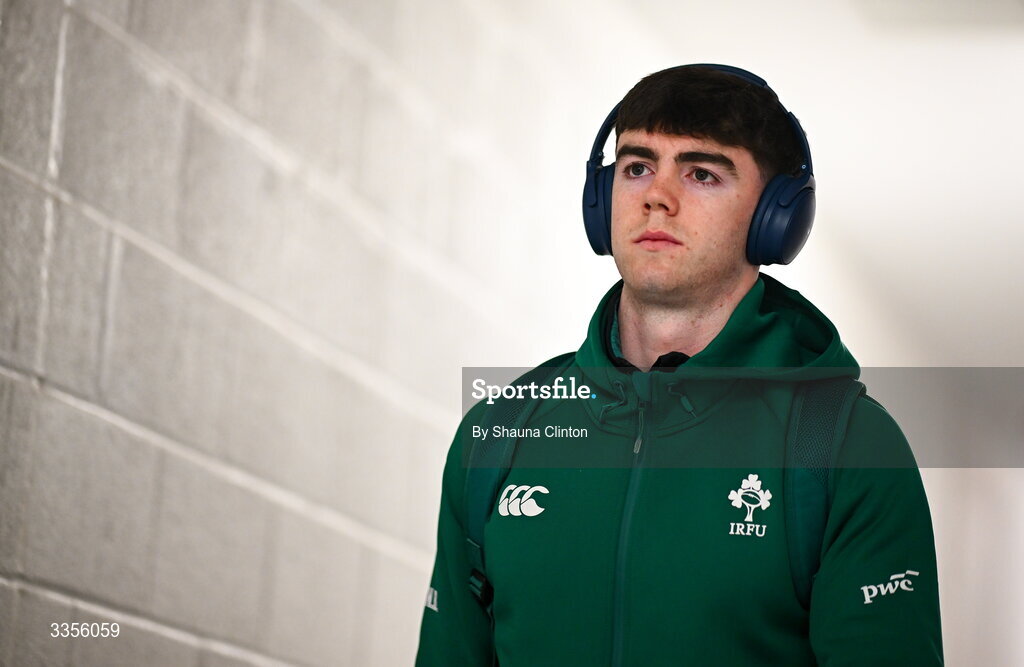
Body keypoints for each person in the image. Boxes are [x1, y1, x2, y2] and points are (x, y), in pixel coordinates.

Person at [416, 64, 943, 666]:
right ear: (600, 198)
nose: (656, 196)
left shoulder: (847, 446)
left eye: (700, 173)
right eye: (637, 167)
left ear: (776, 218)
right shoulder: (503, 433)